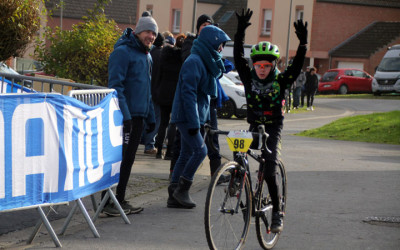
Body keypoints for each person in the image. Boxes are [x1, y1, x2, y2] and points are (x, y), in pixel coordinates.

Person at [234, 9, 307, 232]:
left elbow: (296, 67)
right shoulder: (248, 77)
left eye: (267, 65)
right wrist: (240, 33)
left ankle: (277, 211)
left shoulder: (282, 80)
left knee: (269, 167)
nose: (262, 69)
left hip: (273, 127)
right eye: (258, 65)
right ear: (253, 66)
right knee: (239, 153)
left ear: (273, 65)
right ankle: (238, 181)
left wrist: (303, 43)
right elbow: (238, 57)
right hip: (254, 125)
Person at [167, 25, 230, 209]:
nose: (221, 49)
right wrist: (195, 123)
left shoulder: (205, 60)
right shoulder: (195, 61)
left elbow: (201, 96)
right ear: (211, 42)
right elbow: (189, 94)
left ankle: (173, 194)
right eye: (220, 45)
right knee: (200, 152)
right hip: (187, 116)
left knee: (186, 153)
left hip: (195, 116)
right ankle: (182, 190)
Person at [105, 16, 158, 216]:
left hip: (138, 116)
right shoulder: (122, 53)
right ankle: (108, 202)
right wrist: (125, 116)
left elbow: (147, 90)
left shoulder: (148, 56)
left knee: (128, 160)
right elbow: (115, 86)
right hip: (123, 117)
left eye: (154, 33)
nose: (151, 36)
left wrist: (150, 116)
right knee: (118, 160)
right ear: (138, 32)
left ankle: (119, 200)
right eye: (148, 32)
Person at [154, 33, 186, 160]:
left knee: (163, 122)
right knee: (173, 124)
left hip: (164, 92)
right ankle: (169, 151)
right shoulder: (182, 59)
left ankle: (158, 149)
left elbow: (159, 75)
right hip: (176, 93)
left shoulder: (165, 56)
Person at [142, 32, 164, 155]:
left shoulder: (149, 54)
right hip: (157, 92)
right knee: (156, 119)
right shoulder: (160, 55)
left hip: (148, 90)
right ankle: (149, 144)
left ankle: (146, 141)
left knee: (148, 118)